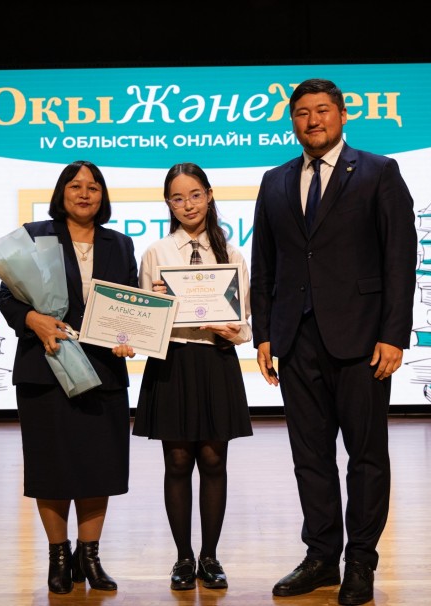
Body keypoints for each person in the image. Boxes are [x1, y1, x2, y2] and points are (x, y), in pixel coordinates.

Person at [249, 79, 418, 606]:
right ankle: (321, 557)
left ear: (343, 115)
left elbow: (399, 258)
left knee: (366, 456)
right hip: (295, 339)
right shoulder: (275, 180)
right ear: (292, 122)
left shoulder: (378, 171)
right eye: (302, 113)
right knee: (310, 457)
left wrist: (394, 334)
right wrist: (263, 333)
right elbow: (264, 263)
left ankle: (360, 561)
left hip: (362, 339)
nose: (312, 120)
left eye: (322, 110)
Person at [0, 160, 139, 595]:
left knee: (100, 467)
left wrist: (130, 335)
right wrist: (32, 319)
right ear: (61, 193)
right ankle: (58, 556)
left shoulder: (120, 244)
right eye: (75, 186)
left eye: (93, 187)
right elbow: (7, 297)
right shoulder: (35, 236)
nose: (84, 193)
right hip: (46, 367)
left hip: (103, 371)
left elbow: (130, 303)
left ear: (103, 196)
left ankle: (89, 556)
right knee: (51, 467)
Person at [125, 162, 254, 591]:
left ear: (210, 196)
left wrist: (229, 328)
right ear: (168, 203)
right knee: (177, 461)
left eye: (195, 195)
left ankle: (210, 557)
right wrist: (154, 306)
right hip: (173, 362)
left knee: (214, 460)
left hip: (216, 361)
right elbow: (143, 323)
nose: (188, 205)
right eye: (178, 198)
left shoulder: (232, 255)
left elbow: (245, 327)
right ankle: (183, 558)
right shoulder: (156, 253)